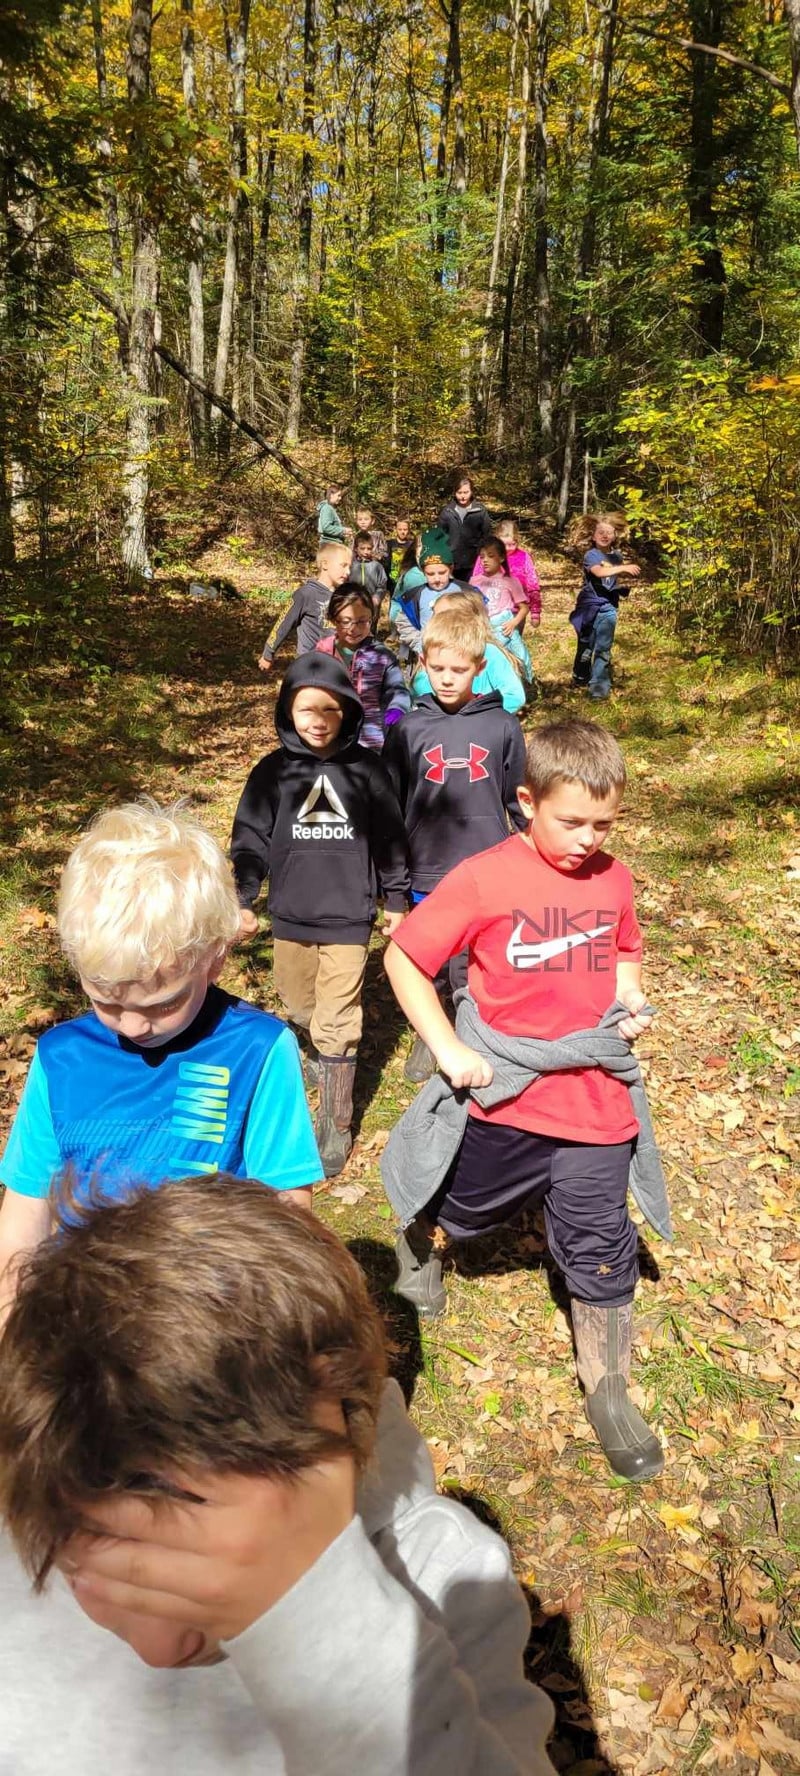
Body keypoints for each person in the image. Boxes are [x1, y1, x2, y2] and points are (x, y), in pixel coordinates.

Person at [0, 1171, 557, 1774]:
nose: (164, 1650)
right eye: (93, 1564)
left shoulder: (444, 1580)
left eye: (223, 1566)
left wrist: (313, 1612)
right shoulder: (36, 1484)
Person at [381, 721, 669, 1483]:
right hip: (506, 1088)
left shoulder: (614, 878)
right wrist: (448, 1049)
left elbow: (627, 951)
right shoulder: (484, 877)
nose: (587, 839)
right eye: (571, 821)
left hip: (592, 1092)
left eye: (604, 824)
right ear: (525, 801)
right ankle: (419, 1243)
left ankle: (608, 1389)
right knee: (464, 1211)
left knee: (601, 1240)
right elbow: (405, 955)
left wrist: (629, 994)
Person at [0, 802, 322, 1309]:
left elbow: (287, 1207)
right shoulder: (61, 1058)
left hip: (207, 1315)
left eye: (163, 1003)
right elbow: (25, 1211)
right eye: (105, 1001)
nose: (131, 1025)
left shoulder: (258, 1050)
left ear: (214, 959)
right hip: (82, 1314)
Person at [232, 654, 408, 1175]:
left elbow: (390, 839)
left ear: (347, 712)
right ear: (288, 711)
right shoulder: (272, 772)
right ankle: (317, 1050)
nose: (317, 720)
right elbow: (249, 837)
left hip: (349, 915)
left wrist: (395, 899)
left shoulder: (368, 770)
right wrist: (243, 896)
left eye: (329, 709)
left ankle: (336, 1121)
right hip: (291, 913)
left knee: (337, 1019)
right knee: (299, 1001)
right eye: (305, 709)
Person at [383, 605, 527, 1085]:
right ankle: (433, 1030)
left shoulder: (502, 726)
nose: (447, 679)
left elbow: (517, 797)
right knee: (433, 957)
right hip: (427, 865)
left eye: (459, 670)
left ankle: (472, 1034)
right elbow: (391, 809)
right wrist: (393, 886)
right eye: (437, 668)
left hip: (486, 866)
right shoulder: (407, 730)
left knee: (474, 961)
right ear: (423, 664)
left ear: (480, 668)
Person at [316, 586, 410, 751]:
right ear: (332, 619)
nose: (354, 629)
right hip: (330, 740)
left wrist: (397, 709)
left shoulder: (382, 656)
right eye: (345, 621)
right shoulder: (321, 653)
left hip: (371, 742)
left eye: (361, 621)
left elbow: (397, 689)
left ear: (372, 618)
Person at [410, 590, 525, 716]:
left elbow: (514, 696)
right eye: (435, 615)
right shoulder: (433, 653)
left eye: (445, 616)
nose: (438, 621)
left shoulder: (490, 652)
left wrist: (482, 718)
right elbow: (419, 694)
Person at [568, 513, 641, 702]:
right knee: (586, 649)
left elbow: (610, 579)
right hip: (589, 608)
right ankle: (580, 677)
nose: (605, 535)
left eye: (609, 532)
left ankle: (599, 689)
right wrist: (623, 568)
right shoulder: (591, 555)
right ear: (593, 536)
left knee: (603, 649)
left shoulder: (616, 556)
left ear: (615, 536)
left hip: (608, 608)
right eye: (601, 532)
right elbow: (599, 572)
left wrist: (618, 586)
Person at [258, 542, 352, 671]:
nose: (348, 572)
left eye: (349, 567)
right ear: (325, 564)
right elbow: (283, 624)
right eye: (343, 566)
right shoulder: (305, 594)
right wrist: (268, 653)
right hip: (310, 665)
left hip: (337, 665)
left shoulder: (343, 596)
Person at [470, 536, 532, 681]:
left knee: (511, 664)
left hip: (504, 632)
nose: (485, 560)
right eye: (482, 556)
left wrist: (513, 623)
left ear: (501, 558)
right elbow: (470, 606)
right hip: (482, 631)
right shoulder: (474, 581)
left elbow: (524, 607)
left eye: (491, 556)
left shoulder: (510, 581)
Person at [437, 470, 493, 584]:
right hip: (452, 562)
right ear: (454, 493)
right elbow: (440, 536)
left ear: (471, 492)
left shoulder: (480, 511)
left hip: (474, 561)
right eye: (459, 492)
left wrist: (481, 553)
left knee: (471, 593)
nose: (462, 496)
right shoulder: (447, 512)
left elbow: (486, 535)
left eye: (466, 492)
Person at [493, 518, 542, 628]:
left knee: (514, 642)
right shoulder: (488, 556)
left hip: (517, 612)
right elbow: (477, 584)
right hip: (492, 611)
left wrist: (535, 612)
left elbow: (533, 585)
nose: (507, 548)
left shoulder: (524, 557)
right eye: (504, 544)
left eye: (512, 544)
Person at [350, 530, 390, 622]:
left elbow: (382, 585)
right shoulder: (351, 566)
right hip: (353, 602)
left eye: (369, 548)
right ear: (356, 549)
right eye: (362, 548)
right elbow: (345, 584)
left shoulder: (377, 566)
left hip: (372, 603)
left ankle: (372, 635)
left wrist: (377, 597)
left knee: (370, 625)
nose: (366, 552)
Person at [386, 517, 414, 588]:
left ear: (409, 530)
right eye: (400, 529)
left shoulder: (412, 545)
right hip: (391, 581)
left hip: (407, 580)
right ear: (395, 529)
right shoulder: (389, 543)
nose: (402, 532)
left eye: (405, 529)